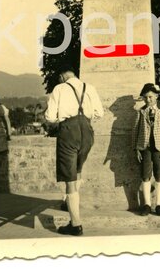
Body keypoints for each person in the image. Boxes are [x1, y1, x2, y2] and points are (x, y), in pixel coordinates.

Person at [45, 66, 104, 236]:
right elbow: (99, 113)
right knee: (78, 171)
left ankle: (75, 224)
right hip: (87, 131)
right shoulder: (89, 87)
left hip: (68, 131)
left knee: (69, 179)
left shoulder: (60, 88)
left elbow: (49, 117)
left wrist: (62, 118)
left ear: (62, 76)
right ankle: (69, 204)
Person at [132, 83, 160, 216]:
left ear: (156, 96)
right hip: (145, 148)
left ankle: (159, 204)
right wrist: (136, 149)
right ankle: (147, 205)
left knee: (159, 175)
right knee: (145, 176)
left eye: (150, 97)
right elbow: (135, 131)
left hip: (159, 148)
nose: (148, 100)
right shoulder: (141, 111)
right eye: (145, 98)